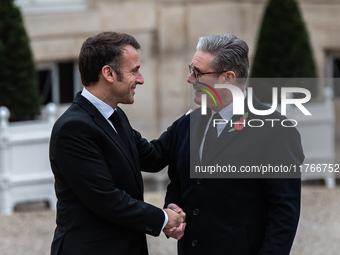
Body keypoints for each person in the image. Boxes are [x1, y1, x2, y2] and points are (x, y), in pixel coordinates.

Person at [163, 34, 304, 254]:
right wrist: (173, 205)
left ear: (228, 78)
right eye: (191, 69)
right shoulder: (187, 123)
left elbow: (284, 213)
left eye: (198, 73)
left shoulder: (276, 130)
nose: (190, 79)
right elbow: (178, 182)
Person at [49, 31, 185, 255]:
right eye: (135, 71)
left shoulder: (115, 115)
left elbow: (153, 157)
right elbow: (107, 199)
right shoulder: (73, 128)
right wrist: (163, 219)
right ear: (109, 73)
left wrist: (192, 118)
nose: (140, 79)